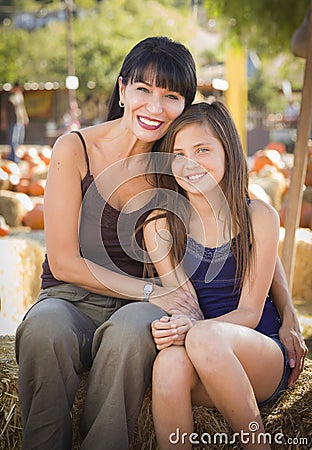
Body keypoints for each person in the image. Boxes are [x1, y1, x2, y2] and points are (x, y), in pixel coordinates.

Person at [14, 36, 305, 450]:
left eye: (170, 97)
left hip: (142, 307)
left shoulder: (180, 158)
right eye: (143, 90)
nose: (155, 107)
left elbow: (249, 222)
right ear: (122, 90)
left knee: (133, 335)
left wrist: (289, 313)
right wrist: (158, 291)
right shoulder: (75, 148)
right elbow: (62, 263)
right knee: (44, 329)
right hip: (75, 295)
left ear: (186, 105)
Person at [143, 101, 307, 450]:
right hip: (201, 356)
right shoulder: (160, 226)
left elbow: (250, 312)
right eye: (179, 152)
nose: (190, 163)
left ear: (228, 152)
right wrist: (172, 325)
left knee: (204, 338)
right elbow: (185, 305)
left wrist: (196, 329)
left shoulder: (258, 217)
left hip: (259, 352)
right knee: (169, 361)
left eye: (203, 149)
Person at [0, 82, 29, 163]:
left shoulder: (19, 96)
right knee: (13, 140)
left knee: (19, 141)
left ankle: (17, 156)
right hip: (11, 121)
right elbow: (4, 111)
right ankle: (13, 158)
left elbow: (22, 107)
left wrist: (25, 117)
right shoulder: (8, 97)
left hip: (20, 122)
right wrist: (3, 122)